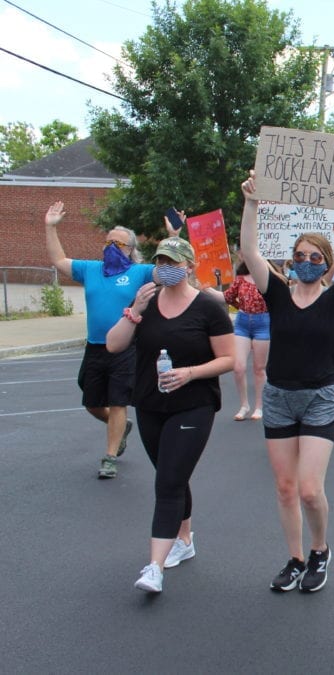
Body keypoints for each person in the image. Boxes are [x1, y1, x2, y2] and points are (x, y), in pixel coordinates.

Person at [239, 173, 334, 594]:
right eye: (301, 255)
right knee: (284, 489)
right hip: (279, 397)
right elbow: (248, 250)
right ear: (291, 258)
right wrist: (251, 203)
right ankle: (296, 558)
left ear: (328, 263)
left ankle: (320, 549)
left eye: (316, 257)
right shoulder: (277, 293)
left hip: (319, 396)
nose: (307, 262)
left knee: (310, 489)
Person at [105, 237, 234, 593]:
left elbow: (229, 358)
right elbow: (114, 344)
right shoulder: (145, 300)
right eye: (161, 260)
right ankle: (184, 538)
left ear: (189, 267)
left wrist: (190, 373)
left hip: (194, 403)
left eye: (174, 261)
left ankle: (154, 567)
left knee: (168, 483)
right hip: (150, 403)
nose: (167, 267)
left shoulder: (208, 307)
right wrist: (134, 313)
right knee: (170, 473)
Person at [44, 201, 156, 479]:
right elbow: (59, 261)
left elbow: (169, 270)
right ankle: (119, 428)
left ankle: (109, 457)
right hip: (95, 347)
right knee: (92, 402)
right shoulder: (91, 269)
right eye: (107, 242)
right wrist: (50, 228)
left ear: (130, 249)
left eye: (117, 244)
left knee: (118, 401)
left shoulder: (139, 273)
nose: (110, 247)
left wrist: (175, 236)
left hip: (126, 347)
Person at [223, 257, 270, 420]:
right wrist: (206, 289)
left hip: (263, 322)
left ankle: (259, 406)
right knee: (238, 367)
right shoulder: (240, 279)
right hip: (243, 322)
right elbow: (227, 297)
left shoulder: (269, 277)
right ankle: (244, 405)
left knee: (259, 368)